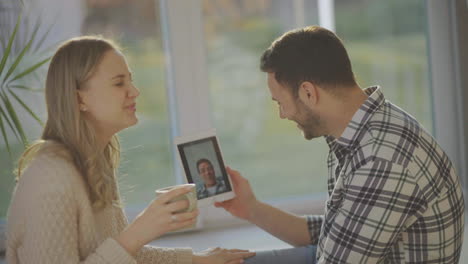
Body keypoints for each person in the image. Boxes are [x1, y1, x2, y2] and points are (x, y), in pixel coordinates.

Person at [215, 26, 465, 263]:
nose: (282, 114)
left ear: (309, 93)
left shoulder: (380, 161)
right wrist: (251, 208)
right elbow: (334, 233)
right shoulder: (369, 125)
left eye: (280, 102)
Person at [6, 36, 255, 264]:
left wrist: (197, 260)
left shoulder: (93, 161)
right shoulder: (50, 175)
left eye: (130, 80)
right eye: (118, 83)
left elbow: (126, 256)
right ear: (79, 99)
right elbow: (125, 248)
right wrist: (138, 232)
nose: (134, 92)